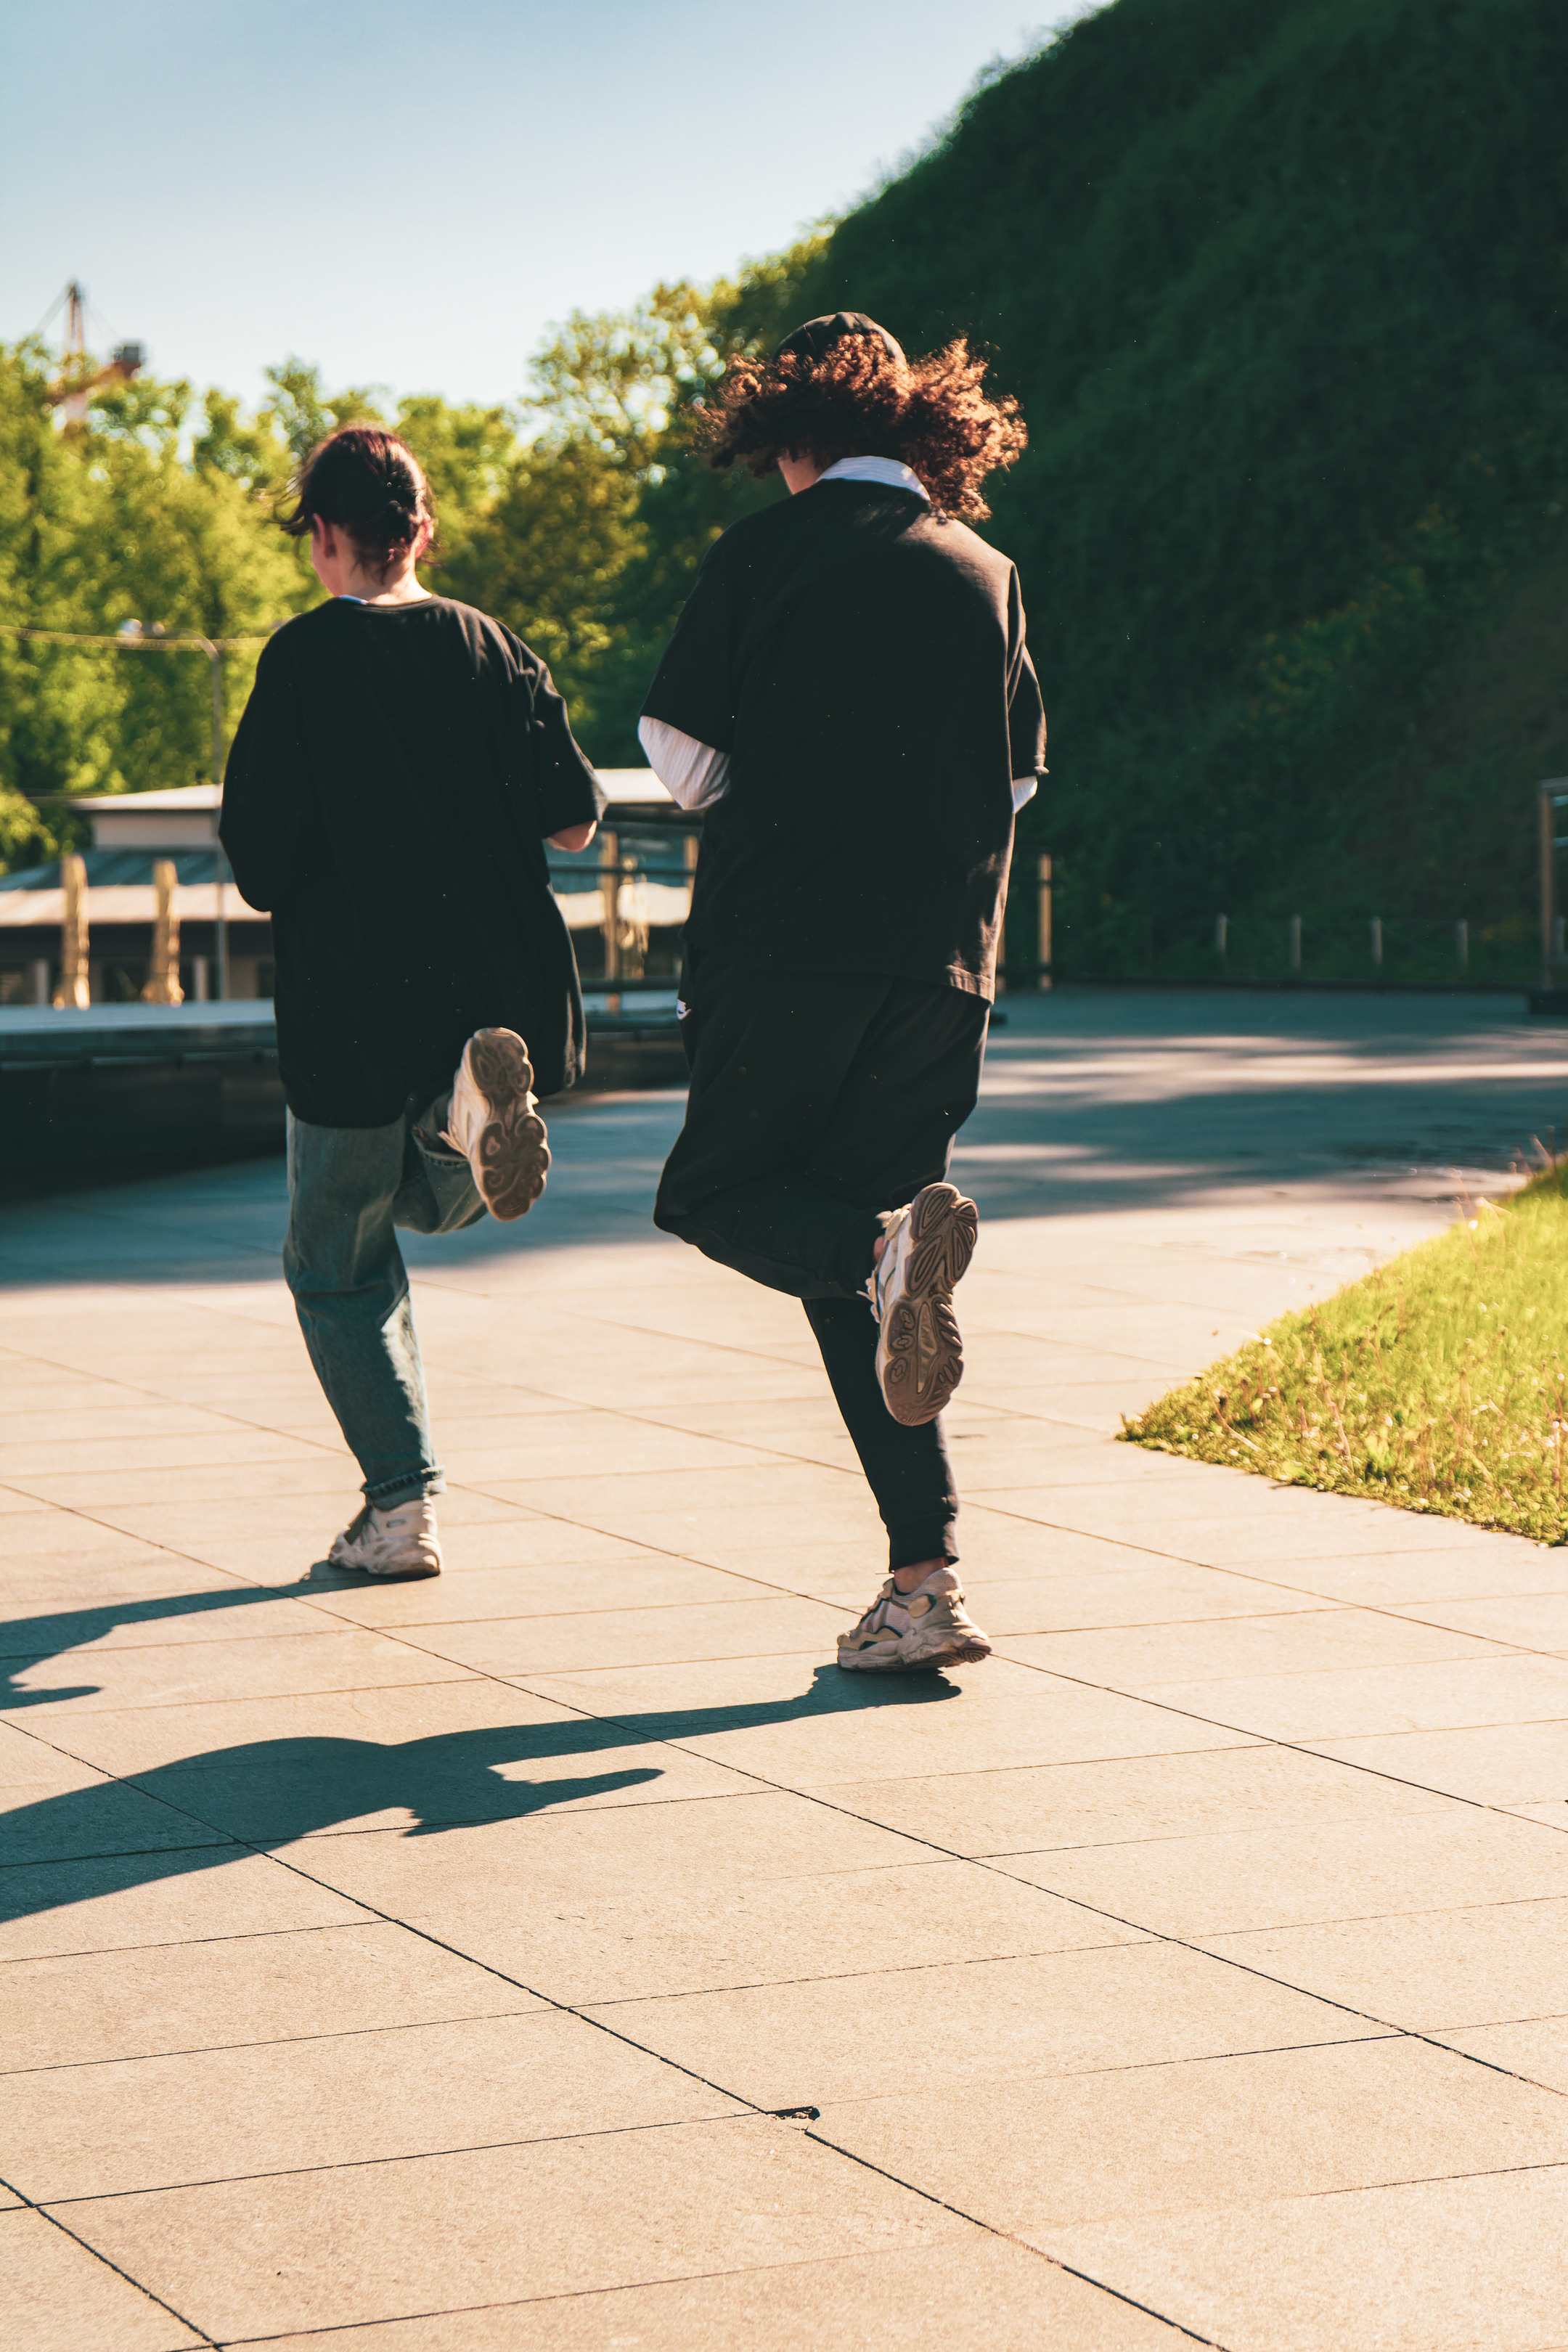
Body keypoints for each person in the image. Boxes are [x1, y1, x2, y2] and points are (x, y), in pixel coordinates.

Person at [639, 311, 1043, 1673]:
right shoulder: (986, 571)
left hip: (785, 951)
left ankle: (879, 1256)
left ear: (791, 432)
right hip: (944, 972)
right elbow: (1019, 778)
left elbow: (683, 764)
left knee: (718, 1199)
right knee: (865, 1276)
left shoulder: (764, 553)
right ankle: (923, 1585)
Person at [221, 425, 603, 1580]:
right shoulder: (497, 648)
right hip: (488, 990)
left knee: (335, 1258)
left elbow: (259, 864)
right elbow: (578, 821)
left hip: (349, 1003)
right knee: (431, 1209)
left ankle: (400, 1509)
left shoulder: (299, 660)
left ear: (327, 537)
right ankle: (460, 1120)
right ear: (423, 529)